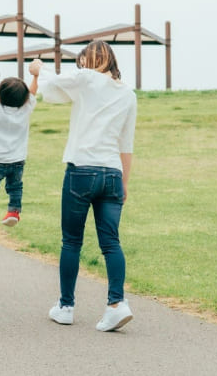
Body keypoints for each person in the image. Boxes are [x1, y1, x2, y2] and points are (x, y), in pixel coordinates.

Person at [31, 41, 138, 331]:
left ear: (90, 61)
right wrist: (125, 182)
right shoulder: (128, 94)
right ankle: (117, 304)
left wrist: (38, 69)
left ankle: (66, 306)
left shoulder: (86, 78)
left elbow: (52, 85)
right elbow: (126, 145)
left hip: (82, 170)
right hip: (113, 174)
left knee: (72, 241)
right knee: (111, 242)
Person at [0, 72, 39, 229]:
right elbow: (33, 92)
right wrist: (36, 76)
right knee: (15, 187)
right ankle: (13, 213)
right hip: (17, 160)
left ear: (0, 95)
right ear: (24, 98)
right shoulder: (26, 109)